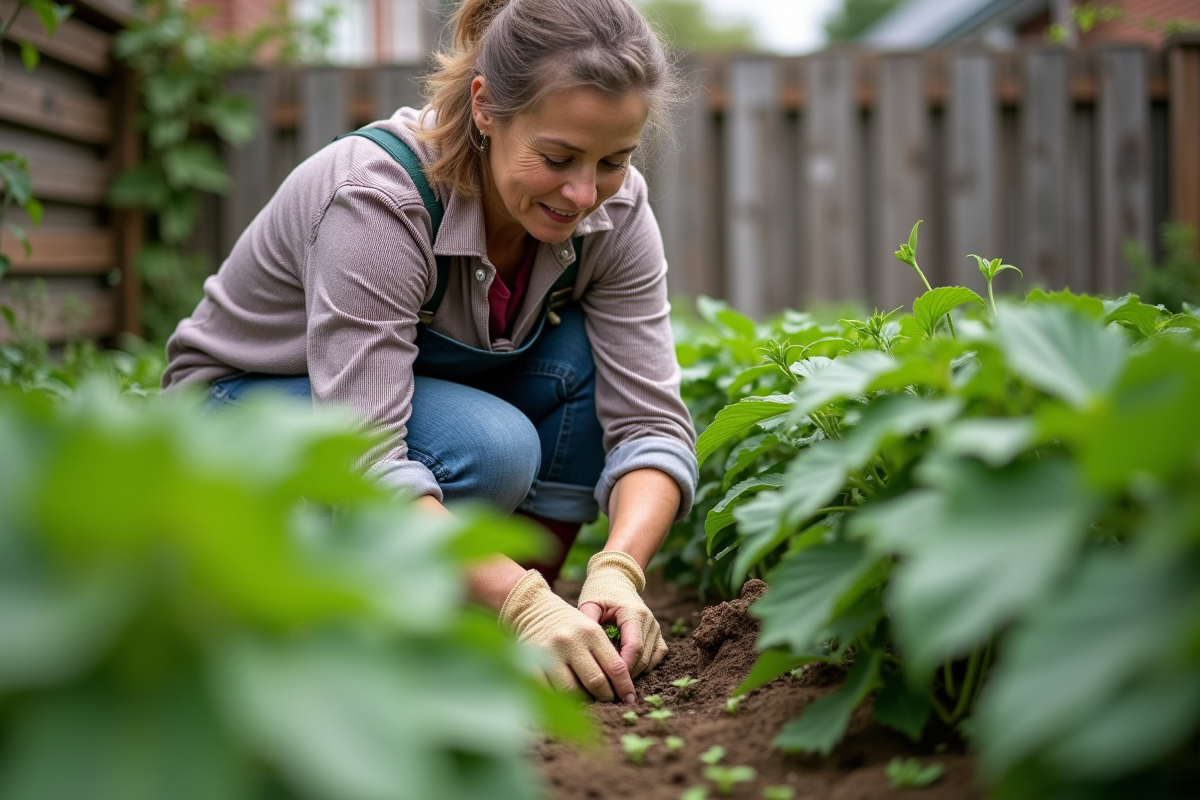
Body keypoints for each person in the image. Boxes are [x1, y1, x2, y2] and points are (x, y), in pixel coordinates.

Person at [161, 0, 697, 706]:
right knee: (493, 447)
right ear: (485, 108)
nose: (583, 193)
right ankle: (342, 624)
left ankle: (500, 627)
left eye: (613, 161)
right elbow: (368, 457)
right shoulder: (379, 197)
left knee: (580, 365)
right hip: (239, 407)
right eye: (558, 157)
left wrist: (619, 569)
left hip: (388, 396)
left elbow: (652, 425)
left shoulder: (614, 210)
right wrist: (521, 600)